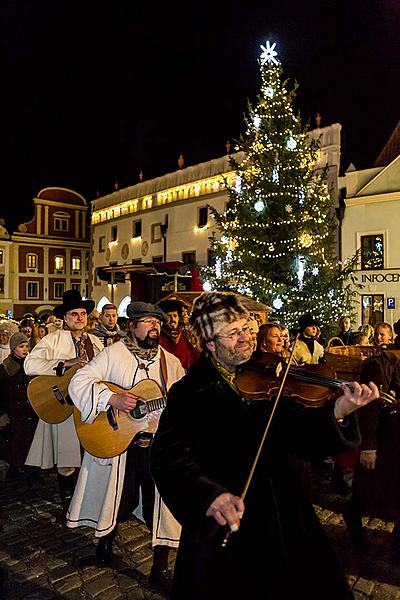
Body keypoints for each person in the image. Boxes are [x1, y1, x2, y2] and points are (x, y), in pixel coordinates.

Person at [150, 291, 379, 600]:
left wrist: (338, 412)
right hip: (228, 520)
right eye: (233, 333)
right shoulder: (189, 391)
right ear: (210, 345)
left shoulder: (271, 375)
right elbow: (168, 457)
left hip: (283, 512)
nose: (246, 338)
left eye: (247, 327)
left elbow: (299, 434)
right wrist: (208, 496)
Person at [66, 301, 185, 594]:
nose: (154, 326)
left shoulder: (170, 363)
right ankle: (104, 544)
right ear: (131, 326)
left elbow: (184, 401)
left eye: (156, 322)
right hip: (122, 446)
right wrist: (111, 399)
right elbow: (79, 381)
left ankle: (160, 568)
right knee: (121, 498)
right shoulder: (114, 354)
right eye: (146, 321)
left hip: (158, 447)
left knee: (164, 505)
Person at [24, 290, 103, 516]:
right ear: (65, 318)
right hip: (64, 404)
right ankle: (68, 503)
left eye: (83, 314)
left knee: (90, 453)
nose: (80, 318)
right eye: (74, 314)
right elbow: (30, 364)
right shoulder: (52, 339)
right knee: (67, 457)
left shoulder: (95, 341)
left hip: (89, 404)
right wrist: (64, 363)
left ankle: (85, 499)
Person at [343, 349, 400, 559]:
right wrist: (368, 446)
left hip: (397, 439)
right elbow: (369, 406)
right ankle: (353, 520)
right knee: (367, 488)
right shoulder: (379, 365)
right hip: (382, 441)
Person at [0, 332, 38, 481]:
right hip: (13, 412)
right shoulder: (4, 369)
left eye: (27, 346)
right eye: (21, 346)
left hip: (30, 411)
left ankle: (31, 472)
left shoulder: (31, 366)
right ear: (13, 348)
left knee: (31, 442)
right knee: (14, 443)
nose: (25, 349)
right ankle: (15, 468)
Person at [158, 299, 199, 370]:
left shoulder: (186, 336)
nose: (173, 319)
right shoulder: (158, 339)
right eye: (169, 316)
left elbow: (195, 356)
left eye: (175, 316)